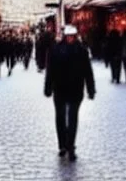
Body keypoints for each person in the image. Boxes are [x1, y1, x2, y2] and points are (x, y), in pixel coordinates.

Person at [44, 25, 95, 162]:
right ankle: (62, 145)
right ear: (65, 37)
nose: (71, 39)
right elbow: (50, 71)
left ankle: (71, 146)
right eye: (68, 36)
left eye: (73, 36)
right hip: (59, 89)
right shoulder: (55, 50)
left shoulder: (82, 51)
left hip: (75, 90)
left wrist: (91, 89)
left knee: (72, 119)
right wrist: (48, 87)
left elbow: (88, 72)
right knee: (60, 118)